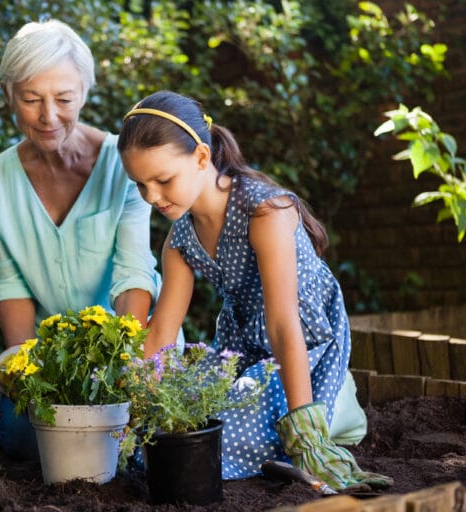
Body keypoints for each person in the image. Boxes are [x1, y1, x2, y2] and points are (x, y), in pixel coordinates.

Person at [117, 90, 393, 491]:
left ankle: (336, 410)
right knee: (171, 433)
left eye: (163, 180)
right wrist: (125, 411)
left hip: (303, 344)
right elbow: (160, 334)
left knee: (217, 442)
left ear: (200, 157)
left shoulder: (265, 212)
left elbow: (285, 325)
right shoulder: (179, 240)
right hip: (243, 349)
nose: (152, 197)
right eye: (141, 186)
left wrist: (307, 440)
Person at [0, 19, 164, 460]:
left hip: (119, 351)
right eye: (30, 99)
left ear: (84, 92)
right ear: (9, 96)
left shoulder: (123, 166)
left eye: (63, 99)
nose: (48, 116)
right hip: (47, 362)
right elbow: (10, 285)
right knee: (23, 443)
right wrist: (27, 373)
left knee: (135, 445)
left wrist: (124, 367)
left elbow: (134, 272)